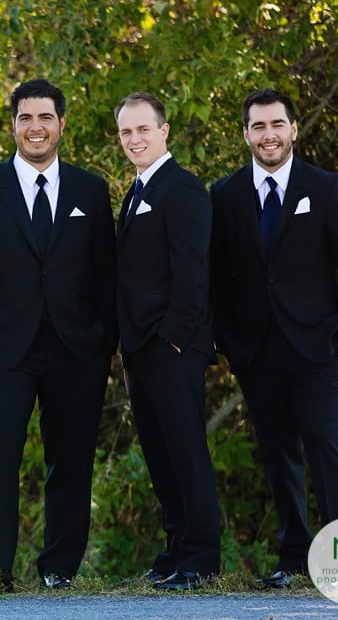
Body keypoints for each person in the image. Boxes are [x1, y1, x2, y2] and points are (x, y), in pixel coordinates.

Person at [0, 79, 118, 593]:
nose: (35, 127)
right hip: (2, 350)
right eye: (25, 118)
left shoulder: (91, 190)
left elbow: (105, 274)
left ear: (61, 124)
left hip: (77, 350)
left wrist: (105, 343)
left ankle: (60, 568)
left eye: (45, 117)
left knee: (71, 458)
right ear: (13, 125)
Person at [209, 88, 338, 589]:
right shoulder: (225, 194)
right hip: (257, 352)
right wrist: (230, 344)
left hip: (320, 348)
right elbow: (216, 279)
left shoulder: (325, 189)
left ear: (294, 129)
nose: (268, 135)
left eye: (276, 124)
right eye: (257, 127)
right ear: (245, 134)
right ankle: (294, 558)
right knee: (279, 454)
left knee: (324, 445)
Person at [113, 92, 221, 591]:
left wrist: (173, 339)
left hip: (174, 345)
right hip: (141, 349)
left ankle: (201, 557)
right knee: (159, 452)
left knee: (185, 450)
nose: (134, 139)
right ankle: (176, 548)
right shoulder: (135, 192)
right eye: (125, 132)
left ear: (164, 131)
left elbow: (192, 271)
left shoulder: (184, 189)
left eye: (142, 130)